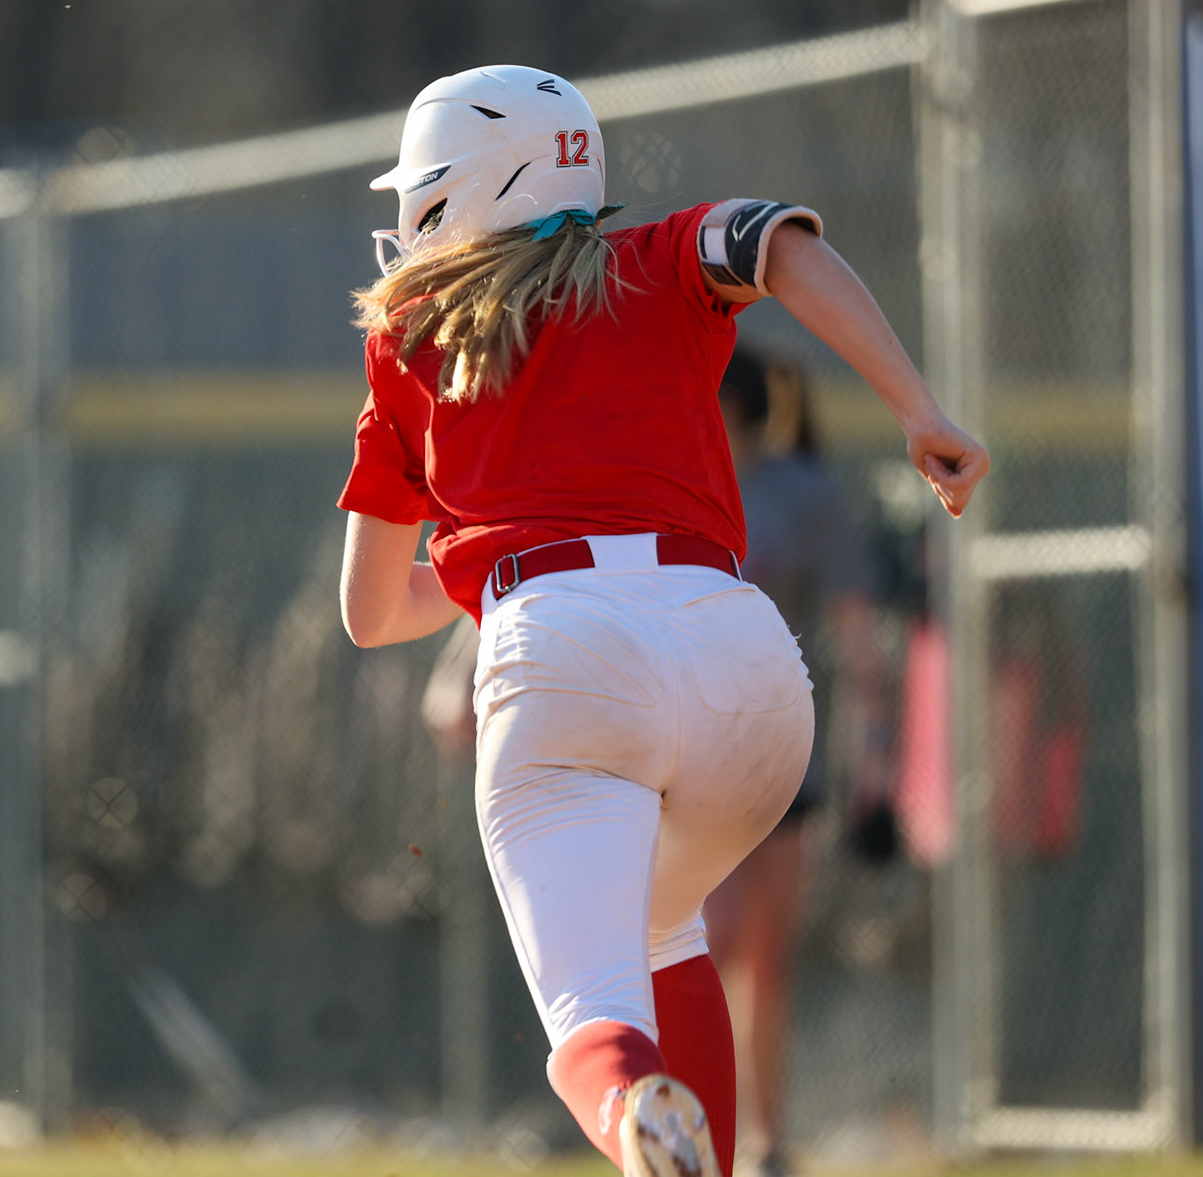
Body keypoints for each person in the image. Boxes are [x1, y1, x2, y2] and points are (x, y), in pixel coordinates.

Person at [335, 65, 986, 1177]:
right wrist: (919, 410)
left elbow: (369, 610)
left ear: (458, 192)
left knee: (593, 1015)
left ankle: (636, 1109)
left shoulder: (413, 336)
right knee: (662, 929)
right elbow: (783, 245)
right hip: (748, 661)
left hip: (565, 651)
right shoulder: (660, 255)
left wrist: (490, 548)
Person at [704, 347, 893, 1177]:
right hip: (684, 754)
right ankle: (688, 1133)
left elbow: (857, 633)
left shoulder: (803, 494)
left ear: (734, 407)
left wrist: (876, 759)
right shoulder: (659, 482)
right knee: (694, 947)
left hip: (778, 757)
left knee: (761, 957)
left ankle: (765, 1141)